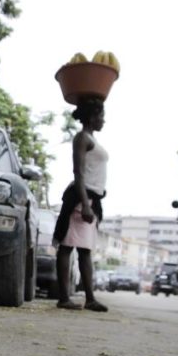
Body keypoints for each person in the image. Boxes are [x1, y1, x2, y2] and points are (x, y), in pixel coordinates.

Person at [52, 98, 109, 312]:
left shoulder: (91, 139)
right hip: (80, 199)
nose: (104, 120)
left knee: (84, 250)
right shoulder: (82, 138)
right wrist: (85, 204)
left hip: (91, 199)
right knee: (67, 247)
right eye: (101, 116)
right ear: (93, 117)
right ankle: (65, 298)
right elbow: (79, 172)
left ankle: (89, 298)